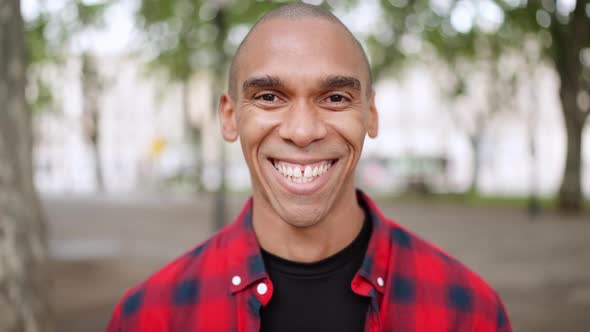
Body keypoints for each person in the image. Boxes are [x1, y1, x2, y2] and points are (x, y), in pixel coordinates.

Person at [107, 3, 512, 331]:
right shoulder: (152, 317)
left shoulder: (468, 311)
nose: (302, 132)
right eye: (268, 97)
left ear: (370, 114)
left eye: (335, 98)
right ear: (230, 117)